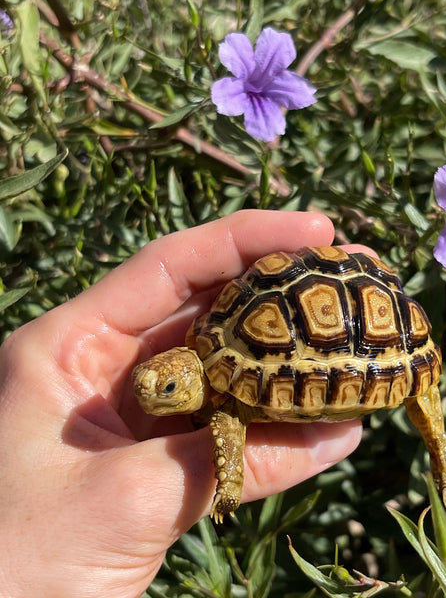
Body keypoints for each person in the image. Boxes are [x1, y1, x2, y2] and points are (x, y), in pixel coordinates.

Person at [0, 210, 365, 598]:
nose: (149, 397)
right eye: (148, 385)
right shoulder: (213, 349)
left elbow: (228, 424)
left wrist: (229, 485)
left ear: (189, 380)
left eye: (168, 388)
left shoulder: (226, 401)